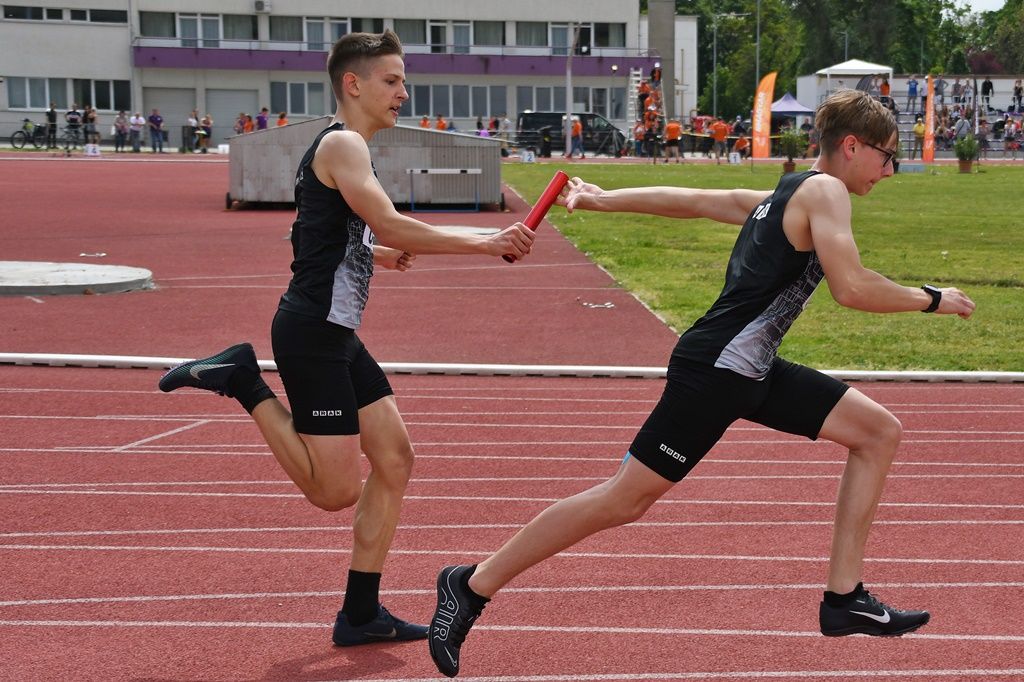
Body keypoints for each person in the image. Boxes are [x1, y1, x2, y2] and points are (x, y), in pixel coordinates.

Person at [427, 88, 976, 678]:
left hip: (751, 368)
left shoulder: (786, 194)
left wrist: (603, 200)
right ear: (851, 146)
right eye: (886, 156)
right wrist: (932, 299)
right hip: (716, 369)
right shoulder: (825, 190)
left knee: (876, 432)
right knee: (624, 499)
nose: (889, 170)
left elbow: (691, 199)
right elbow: (852, 287)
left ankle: (844, 600)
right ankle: (472, 584)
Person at [157, 29, 534, 649]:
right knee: (334, 491)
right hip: (311, 335)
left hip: (336, 335)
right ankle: (241, 379)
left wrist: (372, 253)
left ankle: (360, 614)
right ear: (353, 84)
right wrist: (485, 241)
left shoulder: (342, 149)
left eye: (404, 80)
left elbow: (313, 232)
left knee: (395, 459)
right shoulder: (342, 145)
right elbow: (388, 218)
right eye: (392, 81)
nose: (403, 94)